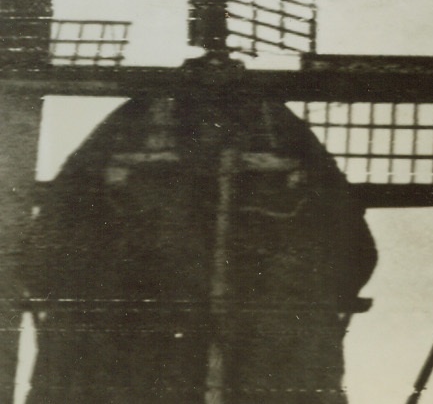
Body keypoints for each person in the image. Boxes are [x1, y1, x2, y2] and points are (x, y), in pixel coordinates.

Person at [23, 98, 376, 404]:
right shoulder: (279, 137)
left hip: (136, 360)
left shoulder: (123, 143)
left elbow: (41, 258)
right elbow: (355, 256)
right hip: (242, 359)